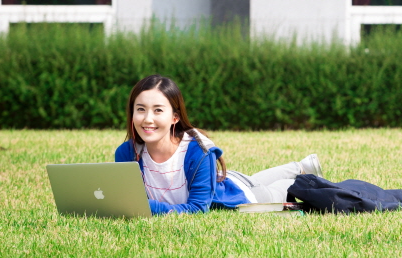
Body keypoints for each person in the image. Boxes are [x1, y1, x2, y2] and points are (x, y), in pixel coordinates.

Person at [114, 74, 323, 215]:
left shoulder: (198, 151)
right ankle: (300, 166)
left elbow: (197, 208)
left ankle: (304, 173)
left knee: (277, 188)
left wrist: (146, 207)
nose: (147, 119)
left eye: (158, 110)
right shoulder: (127, 153)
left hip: (242, 195)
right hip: (226, 180)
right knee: (253, 179)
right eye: (140, 109)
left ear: (175, 117)